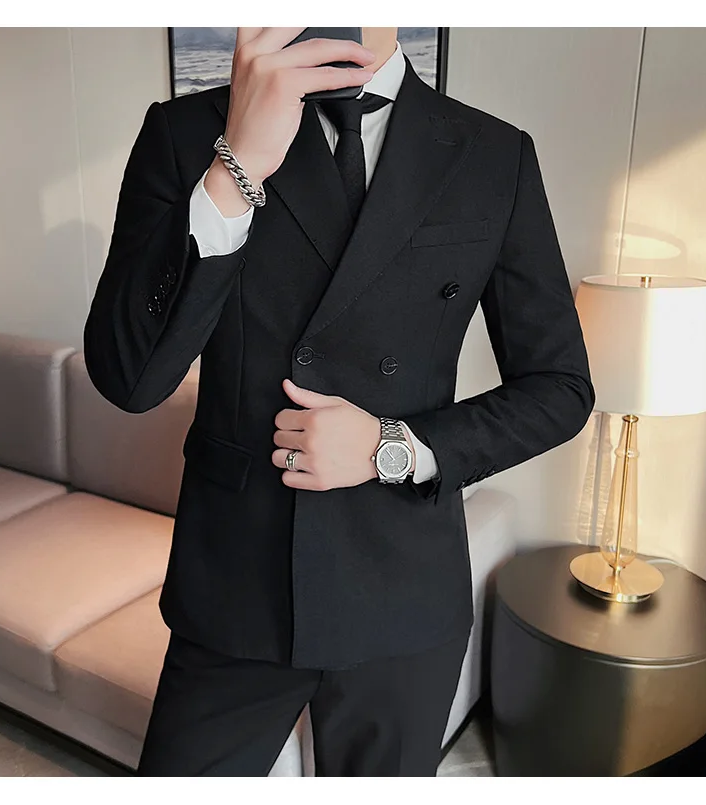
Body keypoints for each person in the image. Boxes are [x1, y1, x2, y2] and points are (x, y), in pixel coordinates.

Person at [83, 26, 595, 776]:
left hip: (401, 589)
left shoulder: (492, 152)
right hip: (237, 585)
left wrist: (395, 445)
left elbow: (560, 388)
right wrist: (236, 165)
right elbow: (130, 380)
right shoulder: (188, 131)